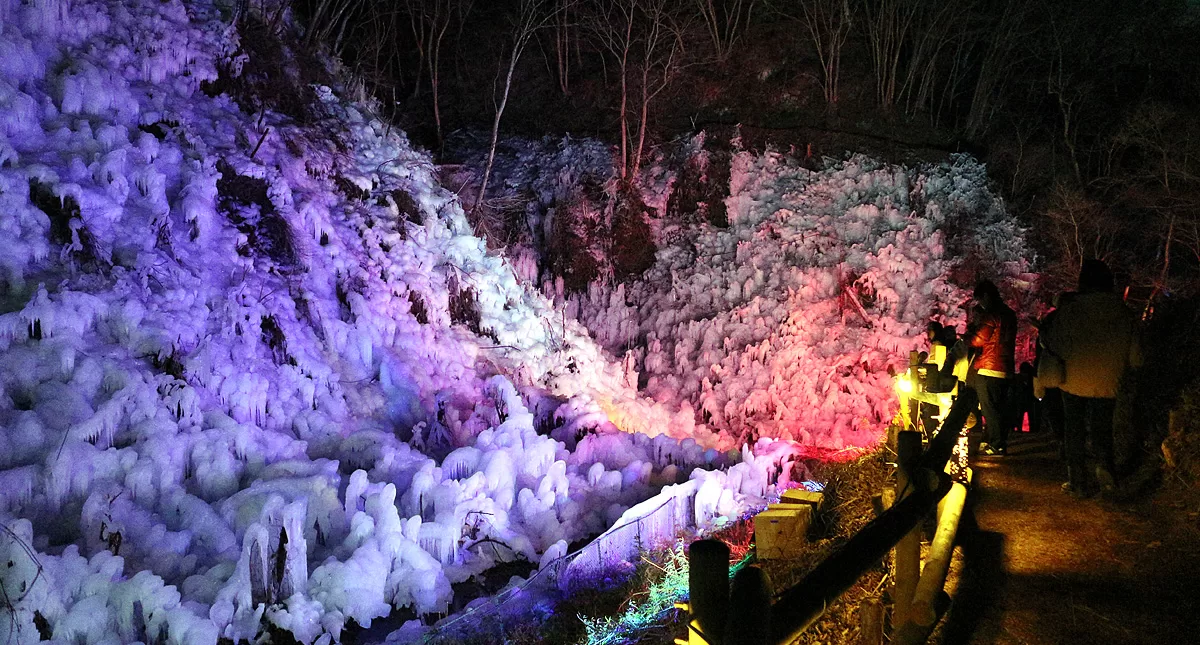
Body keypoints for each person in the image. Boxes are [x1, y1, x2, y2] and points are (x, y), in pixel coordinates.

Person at [1043, 260, 1142, 498]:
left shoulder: (1071, 309)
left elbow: (1054, 342)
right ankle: (1106, 475)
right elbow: (1137, 357)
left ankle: (1078, 481)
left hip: (1073, 378)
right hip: (1108, 380)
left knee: (1074, 428)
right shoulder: (1124, 312)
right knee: (1102, 429)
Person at [966, 280, 1017, 456]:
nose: (981, 304)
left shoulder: (992, 315)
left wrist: (968, 336)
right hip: (1005, 366)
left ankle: (996, 444)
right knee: (999, 407)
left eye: (981, 300)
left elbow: (978, 340)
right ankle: (999, 441)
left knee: (989, 408)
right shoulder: (1009, 314)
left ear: (986, 296)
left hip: (989, 366)